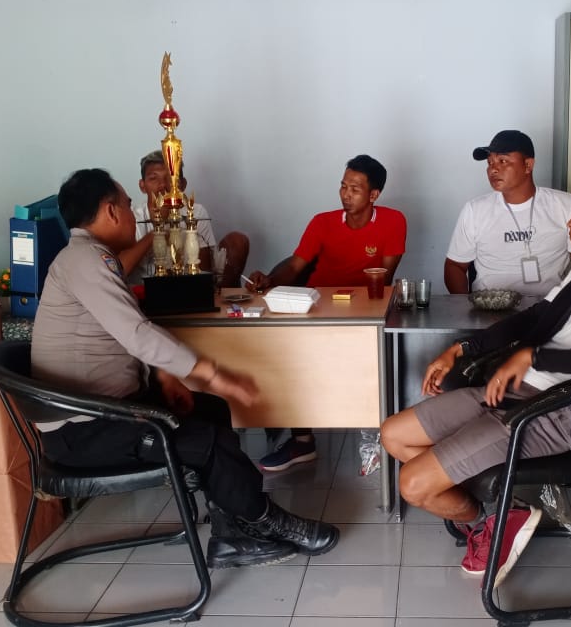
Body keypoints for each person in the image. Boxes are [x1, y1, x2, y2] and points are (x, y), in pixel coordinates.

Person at [381, 168, 571, 587]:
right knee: (393, 435)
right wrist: (461, 349)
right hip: (513, 391)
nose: (569, 221)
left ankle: (496, 520)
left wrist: (536, 356)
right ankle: (497, 517)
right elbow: (535, 317)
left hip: (555, 412)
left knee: (412, 485)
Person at [31, 168, 339, 569]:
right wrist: (213, 373)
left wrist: (164, 375)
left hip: (106, 412)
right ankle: (267, 520)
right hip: (84, 430)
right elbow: (137, 333)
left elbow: (124, 330)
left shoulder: (86, 259)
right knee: (205, 440)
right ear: (110, 211)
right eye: (127, 205)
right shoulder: (87, 261)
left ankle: (230, 535)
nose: (133, 215)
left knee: (209, 408)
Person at [247, 154, 406, 472]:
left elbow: (384, 278)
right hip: (317, 306)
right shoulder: (322, 222)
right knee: (289, 359)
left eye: (355, 189)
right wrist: (271, 280)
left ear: (374, 195)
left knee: (372, 360)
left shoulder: (393, 221)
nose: (346, 194)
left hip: (364, 311)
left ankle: (377, 439)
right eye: (343, 186)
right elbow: (296, 265)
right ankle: (302, 442)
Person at [444, 130, 571, 296]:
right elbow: (455, 266)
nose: (493, 169)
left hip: (549, 307)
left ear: (528, 165)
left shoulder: (565, 205)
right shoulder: (475, 210)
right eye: (489, 162)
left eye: (502, 161)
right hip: (490, 308)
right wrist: (466, 306)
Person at [119, 150, 250, 287]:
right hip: (144, 292)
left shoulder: (196, 212)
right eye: (153, 178)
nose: (162, 185)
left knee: (238, 241)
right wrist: (157, 231)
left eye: (170, 179)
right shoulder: (131, 218)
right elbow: (119, 269)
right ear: (142, 186)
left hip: (189, 287)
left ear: (182, 184)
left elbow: (204, 269)